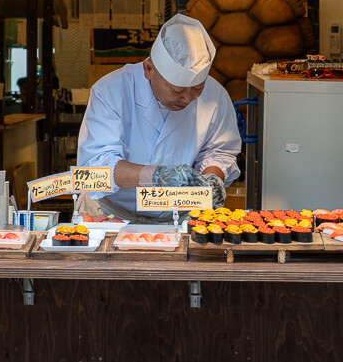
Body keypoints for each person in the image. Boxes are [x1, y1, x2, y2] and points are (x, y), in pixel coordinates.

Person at [76, 14, 241, 222]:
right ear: (148, 70)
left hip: (183, 214)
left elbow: (220, 150)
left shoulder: (215, 96)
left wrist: (212, 179)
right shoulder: (111, 90)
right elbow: (95, 168)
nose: (188, 98)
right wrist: (156, 176)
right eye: (177, 90)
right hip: (113, 213)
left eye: (197, 89)